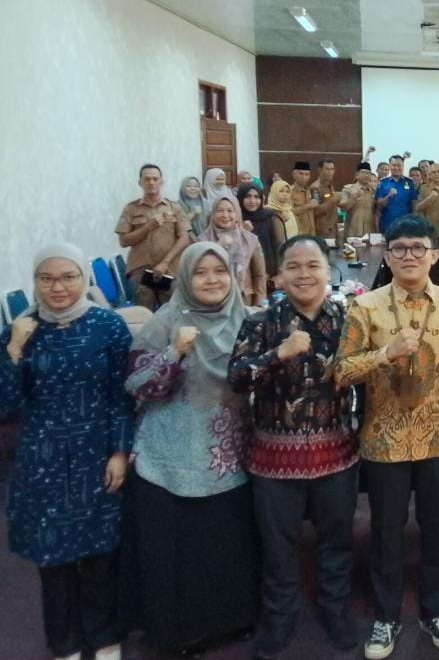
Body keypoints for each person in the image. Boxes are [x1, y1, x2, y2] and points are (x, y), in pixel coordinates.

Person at [335, 215, 439, 660]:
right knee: (386, 532)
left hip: (438, 436)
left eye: (418, 248)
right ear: (387, 256)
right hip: (384, 439)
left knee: (438, 529)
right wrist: (384, 353)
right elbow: (341, 371)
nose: (409, 255)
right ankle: (386, 615)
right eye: (399, 249)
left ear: (434, 255)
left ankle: (436, 611)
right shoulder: (365, 307)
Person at [228, 236, 360, 659]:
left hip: (336, 455)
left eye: (313, 265)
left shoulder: (349, 320)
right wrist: (276, 355)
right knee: (278, 547)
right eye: (294, 266)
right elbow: (236, 379)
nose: (304, 274)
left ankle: (335, 610)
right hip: (274, 459)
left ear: (328, 271)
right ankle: (280, 617)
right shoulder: (260, 322)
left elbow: (366, 376)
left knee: (337, 542)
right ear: (279, 275)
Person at [123, 242, 258, 654]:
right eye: (200, 272)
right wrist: (174, 352)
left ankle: (230, 621)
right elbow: (136, 386)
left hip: (227, 456)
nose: (212, 280)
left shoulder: (248, 321)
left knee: (223, 545)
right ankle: (175, 632)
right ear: (184, 277)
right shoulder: (164, 322)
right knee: (177, 553)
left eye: (220, 271)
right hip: (169, 456)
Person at [0, 244, 133, 660]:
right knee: (52, 556)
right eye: (46, 279)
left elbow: (122, 396)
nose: (58, 287)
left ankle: (103, 636)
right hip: (43, 457)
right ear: (35, 282)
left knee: (100, 552)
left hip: (97, 451)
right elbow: (5, 404)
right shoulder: (21, 330)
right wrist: (13, 350)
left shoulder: (108, 326)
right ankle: (64, 643)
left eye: (68, 277)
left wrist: (120, 451)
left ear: (83, 278)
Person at [116, 163, 191, 309]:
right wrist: (148, 227)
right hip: (141, 272)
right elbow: (123, 241)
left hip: (169, 270)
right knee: (143, 314)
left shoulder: (174, 207)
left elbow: (184, 238)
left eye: (155, 179)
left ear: (161, 182)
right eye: (147, 179)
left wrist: (165, 262)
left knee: (171, 312)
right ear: (140, 182)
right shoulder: (131, 209)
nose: (151, 182)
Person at [200, 195, 268, 307]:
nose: (225, 215)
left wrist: (260, 304)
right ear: (213, 214)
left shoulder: (250, 239)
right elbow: (200, 270)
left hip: (243, 300)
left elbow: (259, 275)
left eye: (230, 211)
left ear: (237, 214)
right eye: (220, 211)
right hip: (213, 301)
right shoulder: (202, 240)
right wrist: (218, 246)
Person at [239, 183, 287, 286]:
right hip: (244, 277)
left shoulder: (270, 217)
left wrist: (279, 272)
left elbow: (280, 247)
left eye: (256, 197)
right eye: (248, 196)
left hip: (270, 276)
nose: (252, 201)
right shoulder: (235, 220)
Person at [376, 154, 420, 232]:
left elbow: (414, 205)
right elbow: (379, 206)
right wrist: (388, 196)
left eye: (399, 165)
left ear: (403, 166)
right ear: (390, 166)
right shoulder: (383, 183)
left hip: (406, 226)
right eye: (394, 165)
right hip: (387, 225)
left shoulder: (410, 183)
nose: (396, 168)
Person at [311, 159, 343, 240]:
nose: (330, 172)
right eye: (327, 169)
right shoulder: (315, 188)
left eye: (332, 169)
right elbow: (315, 211)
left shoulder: (329, 185)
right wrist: (332, 200)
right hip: (322, 231)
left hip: (333, 229)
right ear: (320, 170)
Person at [341, 166, 376, 239]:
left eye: (368, 173)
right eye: (363, 172)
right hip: (353, 231)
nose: (366, 175)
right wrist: (354, 198)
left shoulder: (374, 190)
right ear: (357, 175)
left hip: (370, 232)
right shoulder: (348, 189)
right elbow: (343, 209)